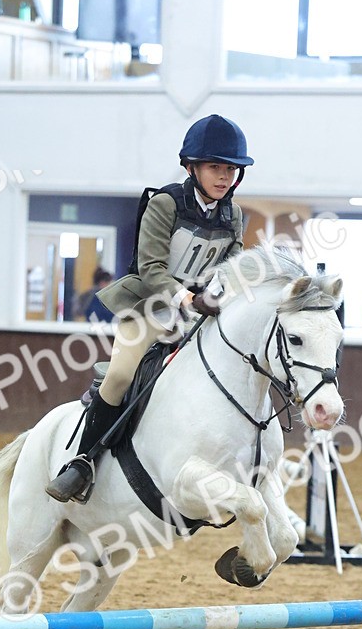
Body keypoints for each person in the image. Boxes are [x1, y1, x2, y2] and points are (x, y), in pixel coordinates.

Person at [46, 114, 253, 503]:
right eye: (215, 167)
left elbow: (234, 264)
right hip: (151, 305)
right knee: (122, 373)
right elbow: (151, 267)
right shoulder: (165, 203)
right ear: (191, 168)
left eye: (230, 169)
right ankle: (81, 463)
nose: (224, 177)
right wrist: (187, 299)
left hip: (199, 314)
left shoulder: (234, 214)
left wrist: (225, 293)